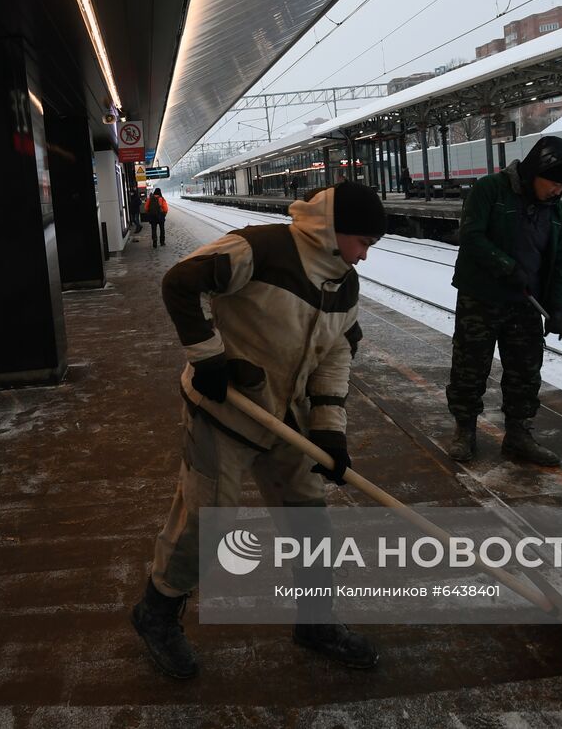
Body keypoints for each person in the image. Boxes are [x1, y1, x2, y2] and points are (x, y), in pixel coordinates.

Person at [131, 181, 386, 679]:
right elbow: (180, 283)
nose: (365, 256)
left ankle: (315, 621)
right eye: (363, 243)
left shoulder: (346, 286)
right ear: (337, 230)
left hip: (284, 418)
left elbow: (336, 355)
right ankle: (156, 612)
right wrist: (207, 356)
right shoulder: (261, 249)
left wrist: (329, 431)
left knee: (309, 521)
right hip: (223, 409)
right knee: (209, 520)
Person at [445, 136, 562, 467]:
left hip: (526, 302)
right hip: (481, 297)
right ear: (534, 171)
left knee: (525, 370)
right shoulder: (490, 190)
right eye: (553, 183)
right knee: (470, 366)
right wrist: (506, 267)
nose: (557, 191)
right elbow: (471, 236)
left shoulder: (554, 209)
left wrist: (558, 307)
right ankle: (465, 430)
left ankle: (519, 435)